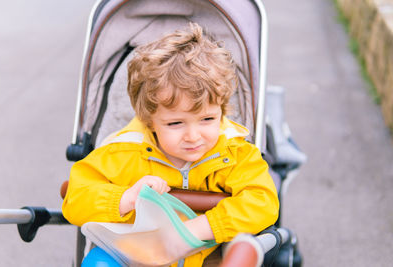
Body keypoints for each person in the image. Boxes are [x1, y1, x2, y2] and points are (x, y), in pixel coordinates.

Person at [62, 23, 279, 266]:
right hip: (135, 253)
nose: (193, 136)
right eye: (176, 123)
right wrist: (126, 197)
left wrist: (200, 228)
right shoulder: (123, 152)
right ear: (149, 121)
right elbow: (76, 197)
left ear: (222, 110)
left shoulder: (235, 155)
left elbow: (262, 200)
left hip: (206, 253)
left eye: (207, 119)